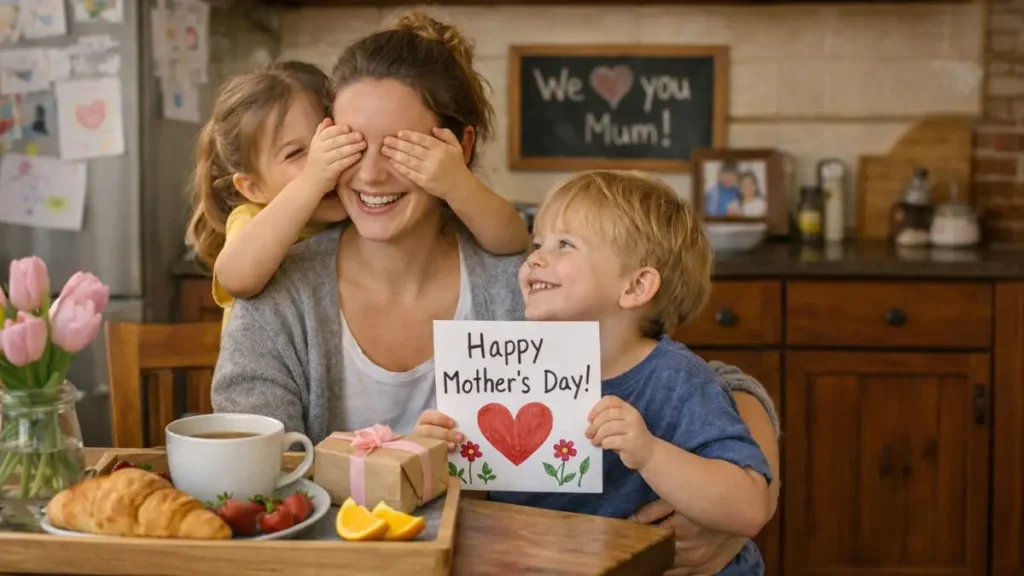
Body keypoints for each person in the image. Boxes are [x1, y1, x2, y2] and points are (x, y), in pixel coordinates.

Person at [210, 10, 779, 574]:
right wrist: (405, 460)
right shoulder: (276, 289)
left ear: (459, 146)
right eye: (351, 145)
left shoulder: (530, 277)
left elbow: (670, 372)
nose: (371, 176)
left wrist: (745, 502)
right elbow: (258, 482)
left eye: (400, 147)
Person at [488, 169, 773, 574]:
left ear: (636, 287)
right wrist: (443, 449)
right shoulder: (506, 367)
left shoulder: (678, 379)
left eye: (564, 244)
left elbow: (749, 508)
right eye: (537, 243)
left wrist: (650, 452)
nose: (534, 257)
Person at [184, 61, 529, 329]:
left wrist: (456, 183)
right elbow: (237, 279)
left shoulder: (365, 213)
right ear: (253, 188)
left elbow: (513, 238)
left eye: (338, 141)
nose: (328, 162)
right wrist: (312, 182)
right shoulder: (252, 219)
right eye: (296, 154)